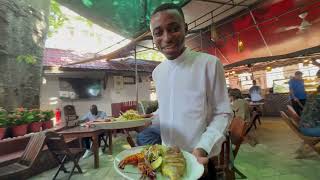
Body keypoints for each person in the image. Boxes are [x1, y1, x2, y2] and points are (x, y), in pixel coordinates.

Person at [150, 3, 231, 179]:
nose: (167, 38)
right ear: (153, 37)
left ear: (185, 29)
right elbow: (166, 109)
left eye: (174, 28)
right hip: (167, 160)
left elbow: (223, 113)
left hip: (197, 161)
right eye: (158, 33)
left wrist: (203, 147)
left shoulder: (209, 64)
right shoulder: (157, 72)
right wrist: (148, 120)